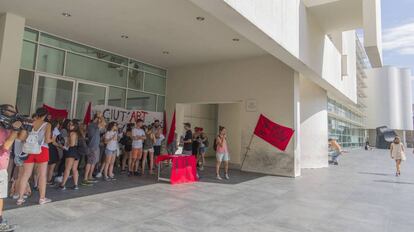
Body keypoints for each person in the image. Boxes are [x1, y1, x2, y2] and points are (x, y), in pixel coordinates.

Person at [17, 107, 52, 205]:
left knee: (25, 175)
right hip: (42, 150)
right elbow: (47, 140)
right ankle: (42, 198)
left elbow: (22, 138)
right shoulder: (47, 124)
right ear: (45, 115)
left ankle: (20, 198)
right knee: (42, 175)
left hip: (28, 150)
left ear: (36, 114)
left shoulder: (29, 122)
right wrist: (53, 139)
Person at [0, 104, 22, 231]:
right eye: (11, 113)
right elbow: (6, 146)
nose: (14, 116)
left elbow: (20, 138)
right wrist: (15, 130)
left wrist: (23, 128)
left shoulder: (6, 128)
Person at [82, 113, 105, 185]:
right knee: (89, 162)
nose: (100, 120)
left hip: (95, 147)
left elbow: (103, 125)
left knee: (93, 162)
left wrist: (100, 117)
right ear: (97, 118)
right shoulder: (92, 125)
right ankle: (85, 178)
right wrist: (100, 116)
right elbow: (103, 123)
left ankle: (90, 176)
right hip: (92, 147)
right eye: (99, 119)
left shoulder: (95, 126)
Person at [59, 120, 81, 190]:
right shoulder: (77, 133)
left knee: (67, 169)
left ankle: (62, 185)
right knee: (74, 169)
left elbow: (72, 144)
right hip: (76, 151)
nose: (69, 125)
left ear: (75, 126)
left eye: (71, 124)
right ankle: (75, 185)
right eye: (69, 124)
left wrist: (66, 144)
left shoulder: (72, 133)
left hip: (71, 151)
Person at [47, 119, 61, 185]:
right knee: (52, 165)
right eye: (58, 124)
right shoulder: (55, 129)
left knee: (46, 165)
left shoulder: (47, 128)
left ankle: (44, 179)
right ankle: (48, 180)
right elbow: (53, 141)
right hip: (52, 148)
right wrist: (61, 146)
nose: (59, 125)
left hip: (46, 147)